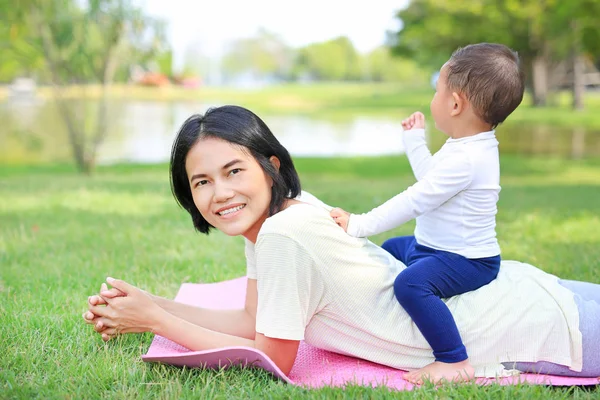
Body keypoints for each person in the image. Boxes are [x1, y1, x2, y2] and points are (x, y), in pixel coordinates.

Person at [83, 105, 599, 386]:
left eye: (233, 171)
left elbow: (273, 358)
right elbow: (252, 319)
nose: (220, 194)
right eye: (201, 182)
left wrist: (153, 323)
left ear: (271, 165)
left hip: (536, 325)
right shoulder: (281, 214)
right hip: (526, 293)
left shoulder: (282, 233)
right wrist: (152, 305)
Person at [329, 43, 526, 383]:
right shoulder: (467, 146)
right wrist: (414, 142)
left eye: (437, 90)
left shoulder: (469, 158)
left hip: (467, 261)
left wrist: (359, 224)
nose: (433, 98)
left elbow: (415, 200)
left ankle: (453, 360)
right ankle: (380, 319)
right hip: (431, 247)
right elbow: (432, 182)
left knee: (410, 283)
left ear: (454, 103)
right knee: (392, 250)